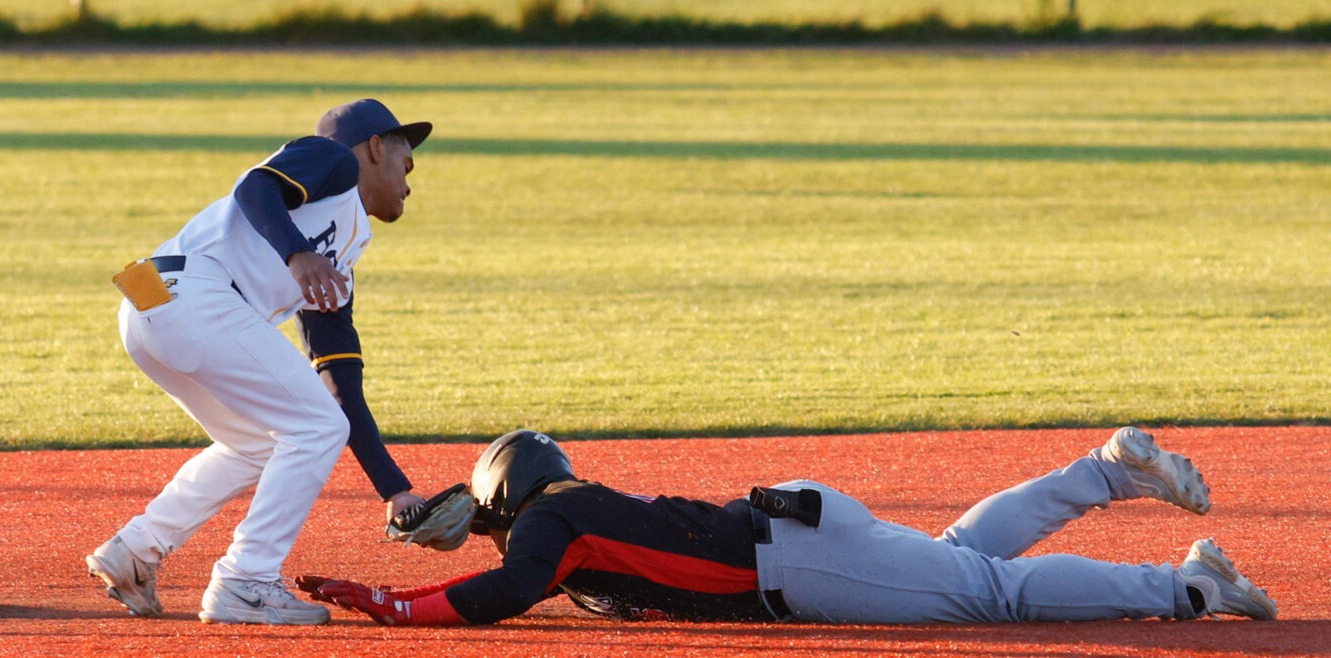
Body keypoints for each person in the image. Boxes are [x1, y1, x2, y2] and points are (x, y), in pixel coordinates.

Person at [300, 428, 1278, 625]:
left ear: (507, 499)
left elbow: (516, 584)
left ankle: (1187, 587)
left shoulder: (550, 529)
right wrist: (465, 528)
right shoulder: (571, 517)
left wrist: (399, 603)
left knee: (993, 594)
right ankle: (1107, 470)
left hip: (794, 560)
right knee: (959, 562)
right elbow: (551, 570)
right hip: (799, 526)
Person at [87, 98, 434, 625]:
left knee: (257, 442)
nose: (409, 183)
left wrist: (394, 488)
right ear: (375, 148)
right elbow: (255, 186)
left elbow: (338, 378)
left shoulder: (346, 245)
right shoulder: (333, 160)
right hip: (188, 294)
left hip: (151, 301)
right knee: (314, 427)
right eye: (406, 165)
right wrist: (298, 254)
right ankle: (247, 581)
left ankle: (136, 549)